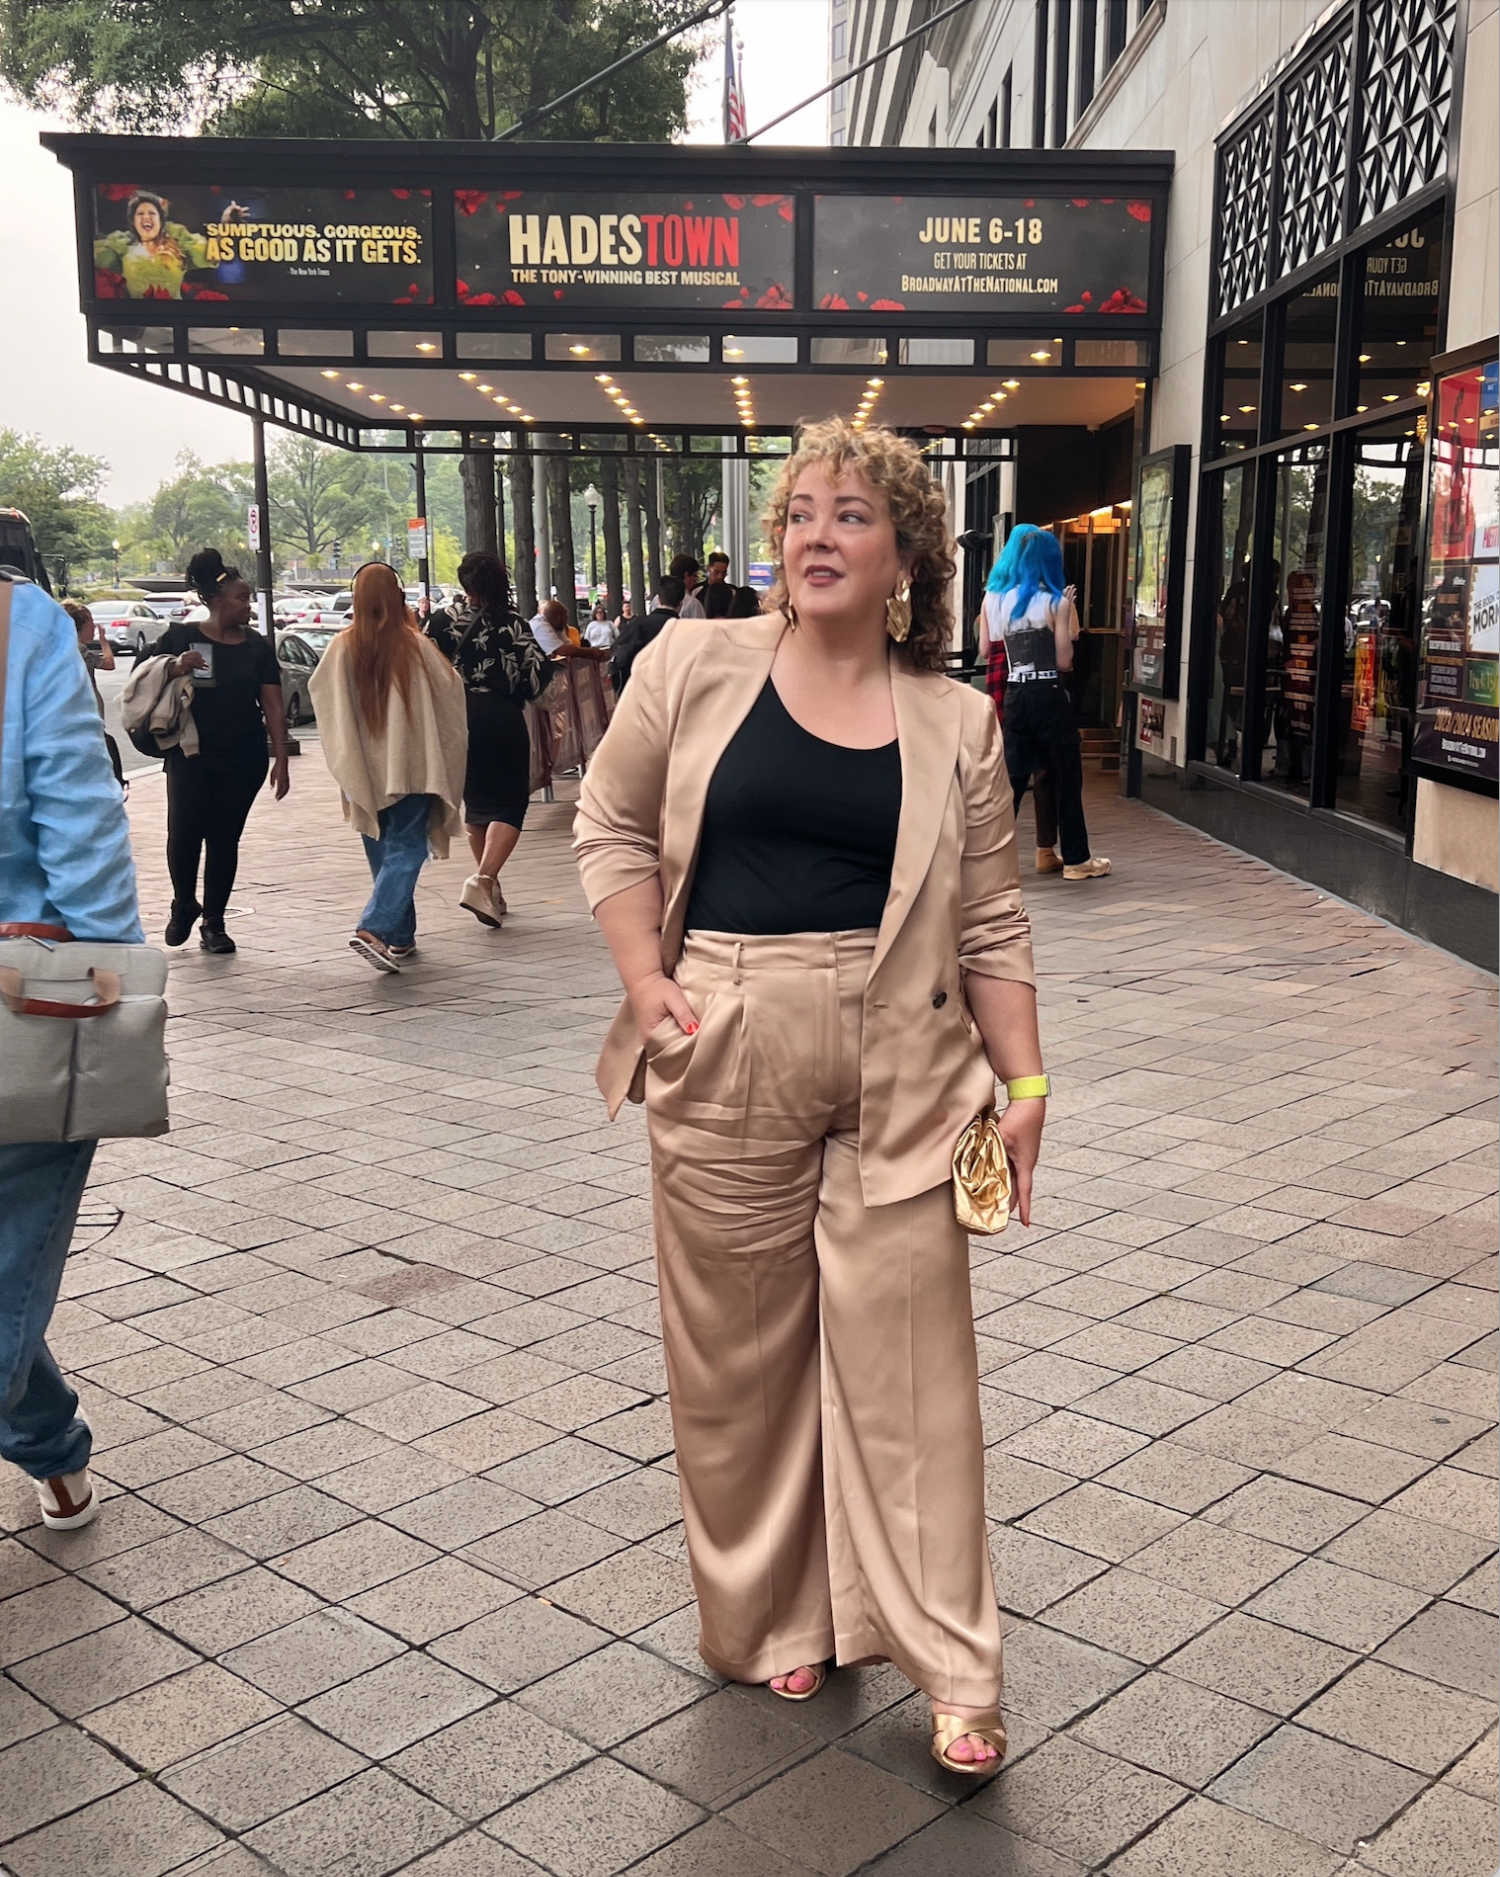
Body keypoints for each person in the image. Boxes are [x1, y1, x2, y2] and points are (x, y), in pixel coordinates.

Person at [574, 417, 1046, 1778]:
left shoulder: (957, 719)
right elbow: (610, 822)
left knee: (916, 1373)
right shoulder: (694, 663)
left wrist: (1026, 1081)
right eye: (799, 515)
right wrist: (644, 979)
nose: (818, 535)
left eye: (851, 515)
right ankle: (778, 1610)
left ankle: (957, 1666)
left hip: (904, 1059)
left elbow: (993, 920)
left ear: (905, 555)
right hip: (725, 1036)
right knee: (739, 1360)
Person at [0, 571, 144, 1532]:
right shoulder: (20, 622)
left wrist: (103, 981)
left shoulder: (19, 622)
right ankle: (51, 1441)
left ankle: (52, 1442)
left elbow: (77, 808)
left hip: (19, 1006)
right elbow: (76, 808)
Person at [309, 562, 467, 973]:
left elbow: (321, 696)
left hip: (364, 768)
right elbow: (452, 690)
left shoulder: (342, 646)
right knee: (408, 848)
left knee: (384, 849)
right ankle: (376, 928)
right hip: (412, 764)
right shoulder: (414, 645)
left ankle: (400, 936)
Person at [150, 549, 290, 953]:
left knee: (225, 838)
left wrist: (280, 757)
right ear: (215, 600)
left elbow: (274, 705)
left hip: (242, 757)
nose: (248, 605)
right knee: (183, 832)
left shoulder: (257, 647)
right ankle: (183, 903)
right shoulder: (181, 637)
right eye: (241, 598)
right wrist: (176, 666)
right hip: (189, 754)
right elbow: (144, 678)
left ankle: (214, 922)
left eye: (248, 598)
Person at [427, 551, 550, 931]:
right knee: (510, 804)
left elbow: (424, 669)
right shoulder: (511, 622)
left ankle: (491, 890)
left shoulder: (440, 620)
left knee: (478, 805)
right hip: (500, 717)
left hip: (457, 720)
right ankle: (481, 881)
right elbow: (536, 676)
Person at [986, 525, 1110, 881]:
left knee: (1011, 779)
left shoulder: (995, 600)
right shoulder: (1053, 601)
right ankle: (1076, 859)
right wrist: (1067, 609)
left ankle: (989, 863)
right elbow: (1064, 660)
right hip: (1048, 694)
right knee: (1066, 775)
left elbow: (988, 646)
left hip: (1015, 694)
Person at [980, 604, 1060, 873]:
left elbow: (983, 648)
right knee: (1044, 770)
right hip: (1035, 685)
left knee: (1008, 771)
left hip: (1000, 684)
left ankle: (993, 851)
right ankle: (1045, 850)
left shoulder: (993, 598)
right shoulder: (1044, 598)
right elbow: (1063, 649)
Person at [62, 599, 125, 789]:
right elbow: (109, 663)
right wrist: (104, 642)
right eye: (92, 623)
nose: (94, 628)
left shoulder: (62, 648)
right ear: (80, 625)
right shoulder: (81, 651)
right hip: (86, 717)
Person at [610, 574, 683, 696]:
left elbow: (619, 656)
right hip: (674, 693)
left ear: (659, 599)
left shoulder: (638, 625)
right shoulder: (684, 629)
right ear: (681, 603)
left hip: (642, 692)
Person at [669, 553, 706, 619]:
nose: (696, 580)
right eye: (695, 575)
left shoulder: (657, 599)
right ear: (686, 575)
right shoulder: (692, 604)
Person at [702, 551, 734, 618]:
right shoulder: (697, 591)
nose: (720, 576)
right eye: (716, 572)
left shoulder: (733, 592)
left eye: (724, 573)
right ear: (708, 568)